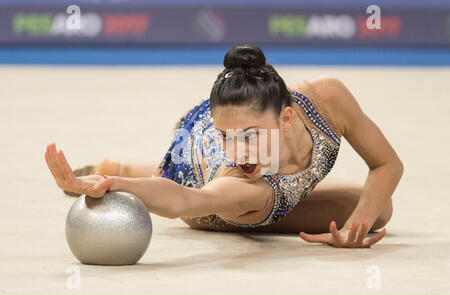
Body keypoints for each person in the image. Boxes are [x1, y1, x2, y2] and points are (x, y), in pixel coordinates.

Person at [45, 44, 403, 248]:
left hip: (237, 111)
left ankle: (132, 165)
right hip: (200, 177)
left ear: (287, 119)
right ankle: (124, 168)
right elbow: (186, 200)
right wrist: (114, 184)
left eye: (250, 136)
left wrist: (357, 227)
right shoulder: (242, 181)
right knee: (178, 179)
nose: (240, 152)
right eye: (229, 138)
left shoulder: (328, 100)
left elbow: (387, 164)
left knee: (377, 208)